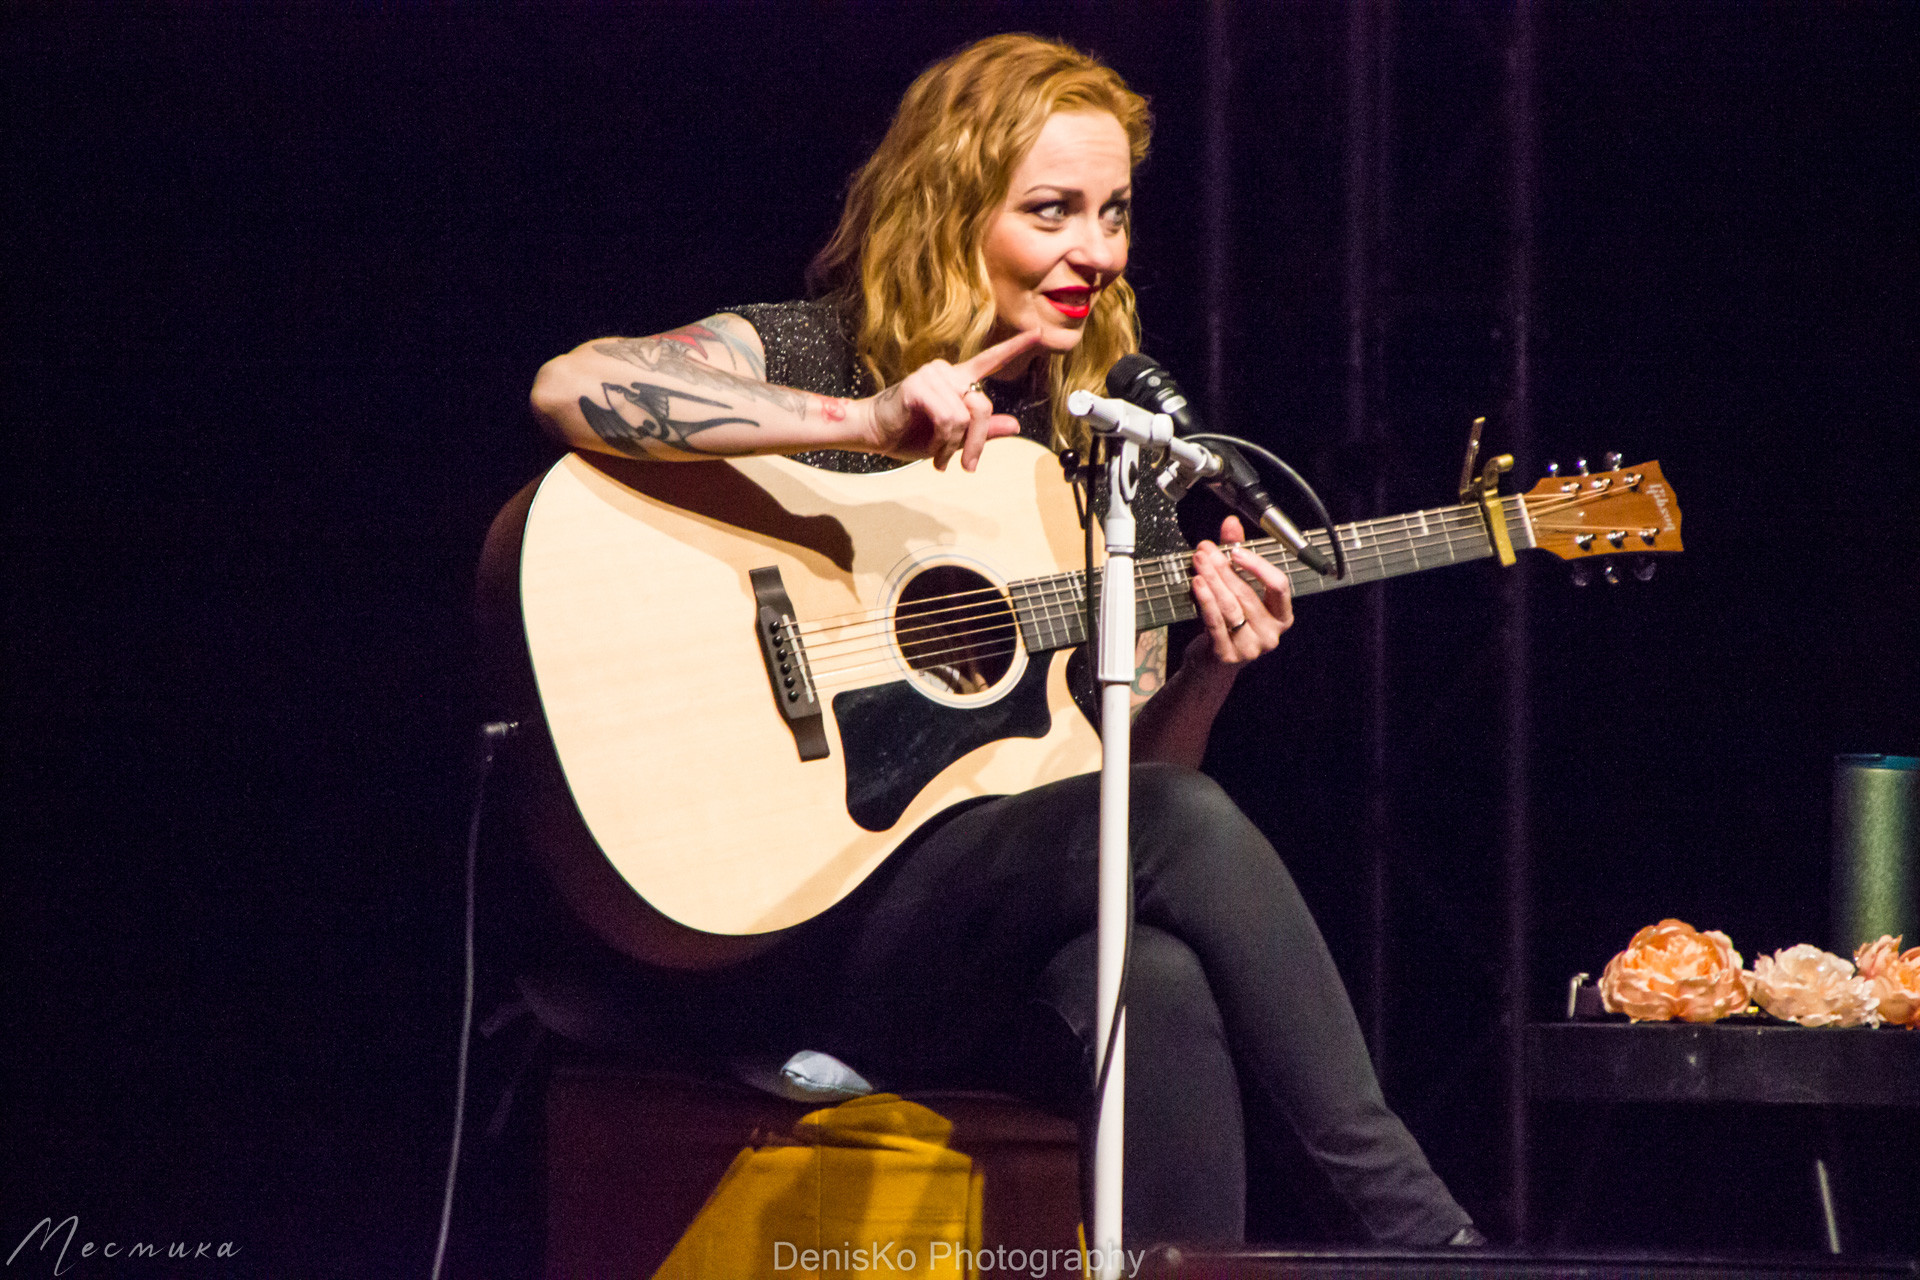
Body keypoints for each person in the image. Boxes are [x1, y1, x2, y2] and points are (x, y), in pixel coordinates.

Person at [527, 32, 1481, 1251]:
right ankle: (1430, 1238)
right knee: (1169, 855)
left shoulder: (1108, 457)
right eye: (1052, 210)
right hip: (779, 930)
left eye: (1116, 211)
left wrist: (1208, 667)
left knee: (1152, 973)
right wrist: (864, 418)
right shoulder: (823, 351)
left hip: (951, 944)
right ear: (952, 208)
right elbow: (575, 384)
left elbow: (1124, 803)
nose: (1096, 248)